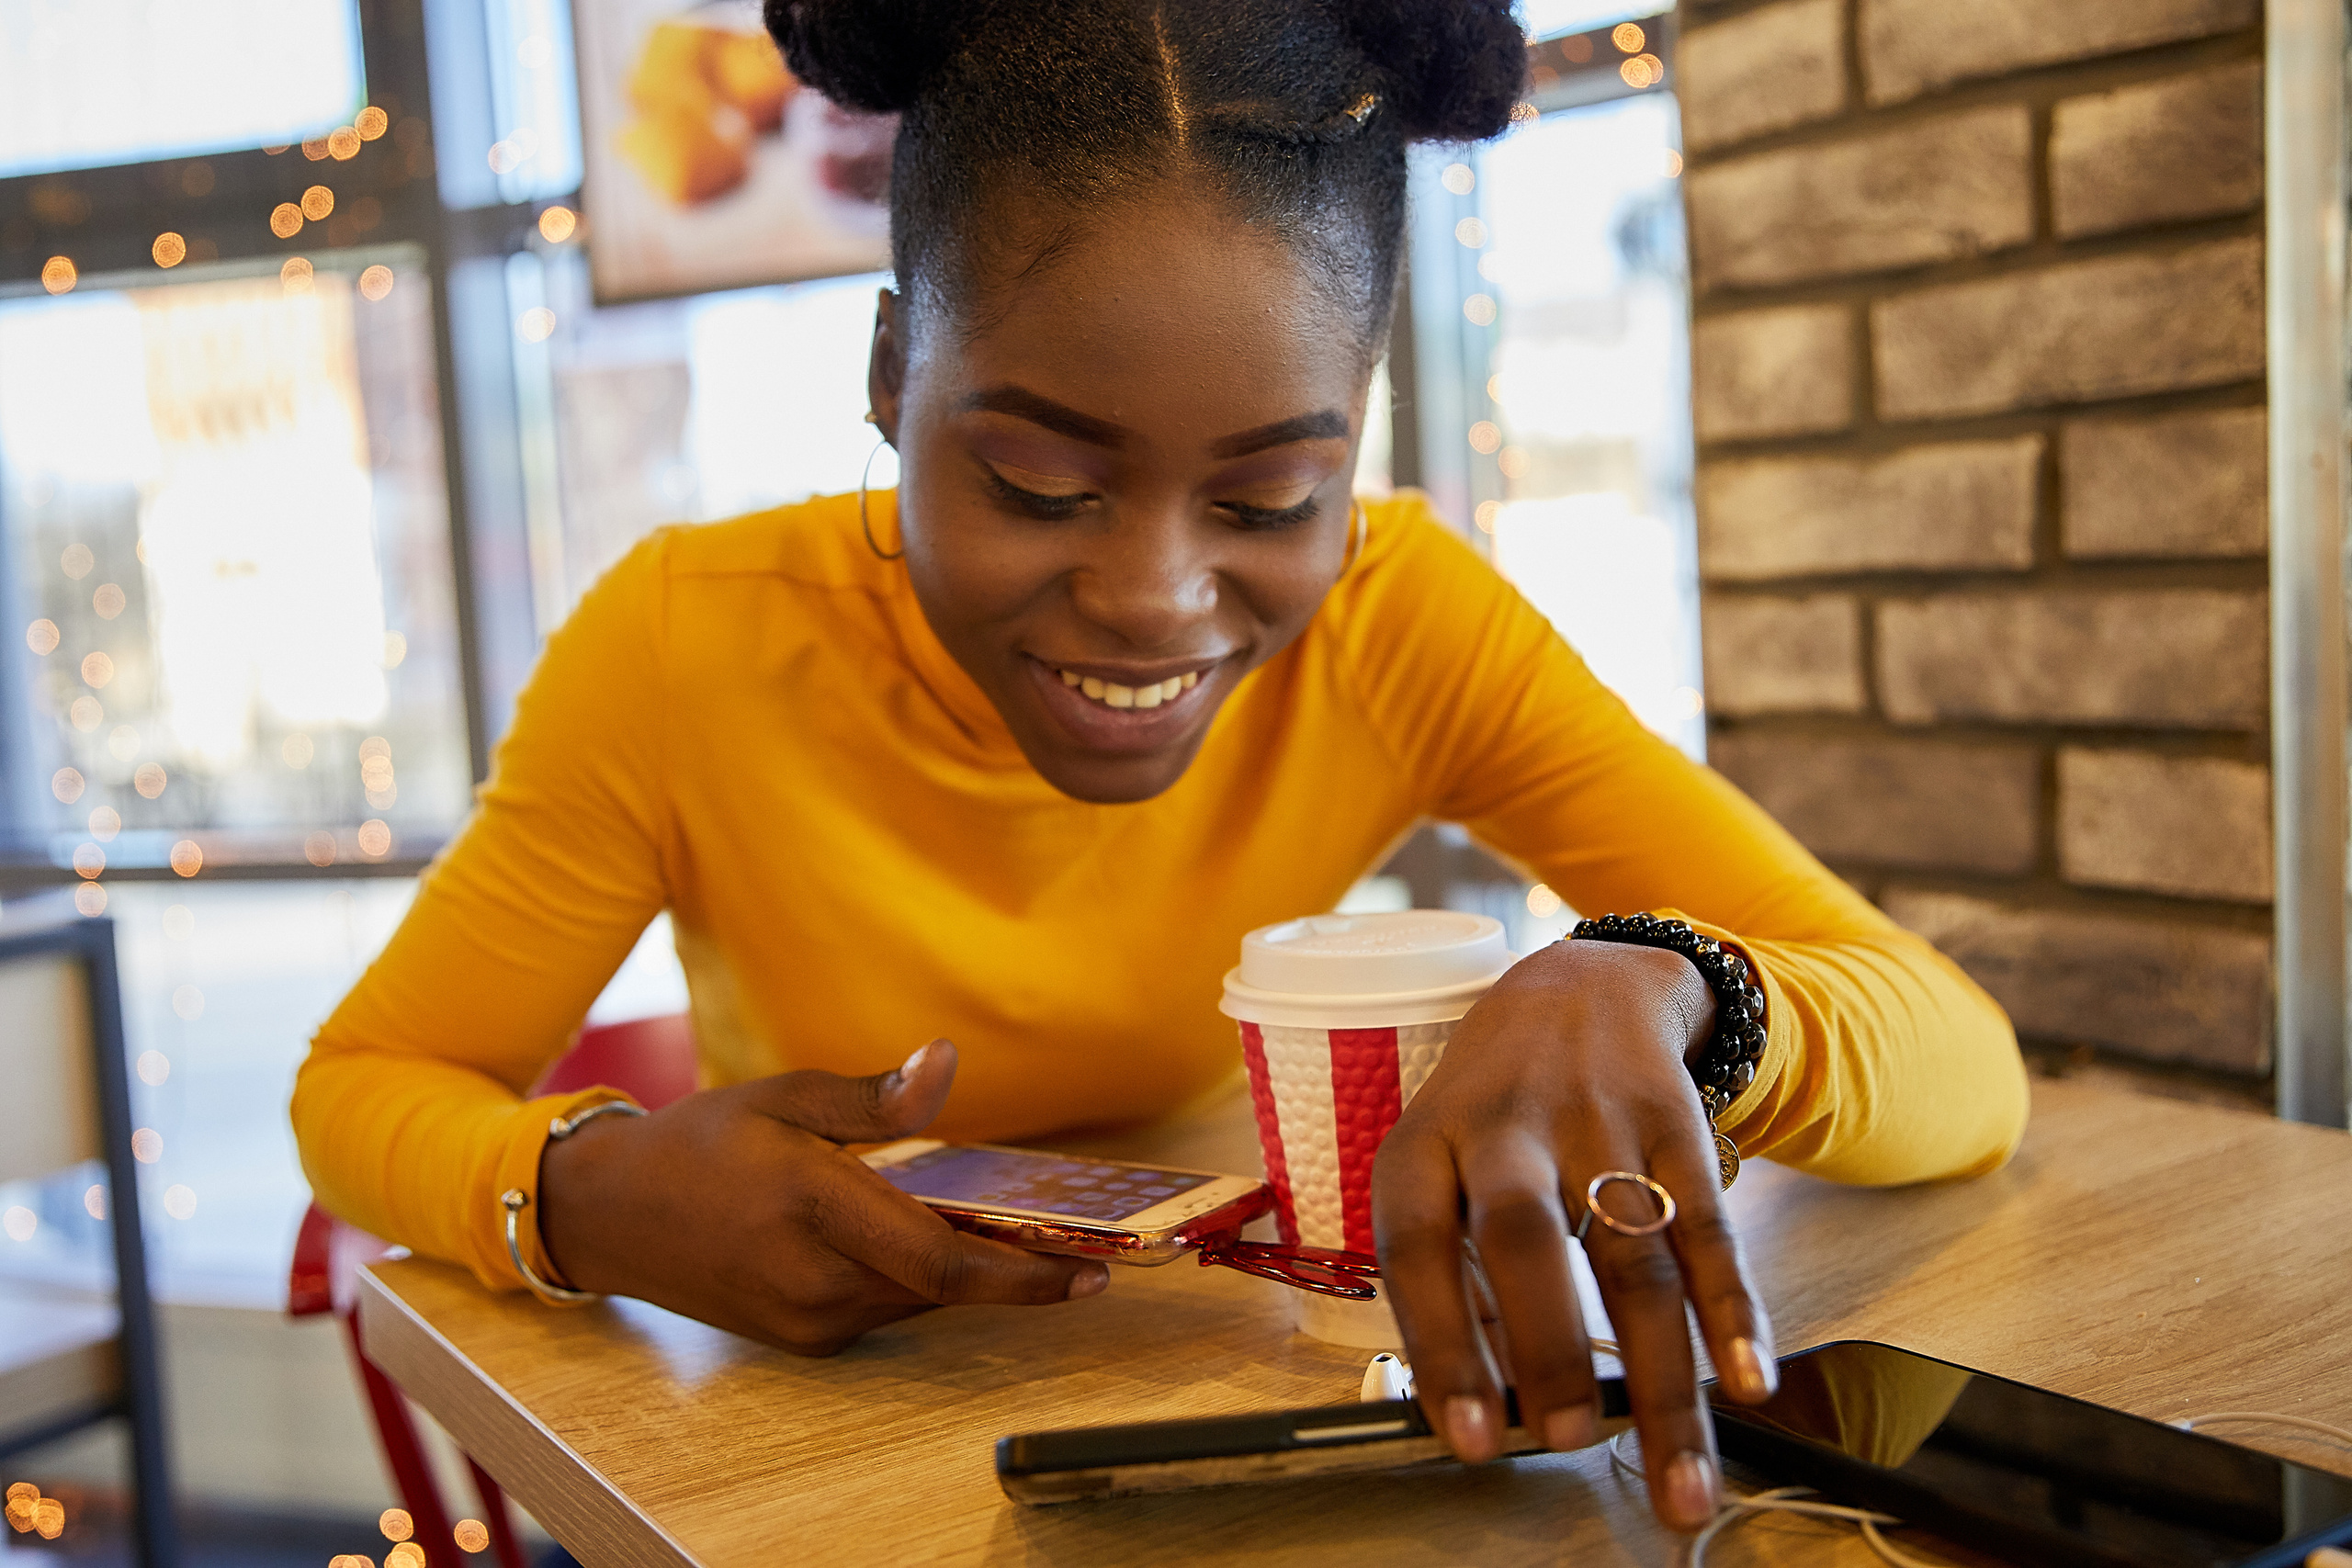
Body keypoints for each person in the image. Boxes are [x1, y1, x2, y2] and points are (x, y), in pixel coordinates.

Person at [291, 0, 2029, 1533]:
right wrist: (577, 1192)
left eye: (1272, 502)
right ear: (897, 371)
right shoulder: (689, 642)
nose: (1153, 600)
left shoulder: (1404, 618)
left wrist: (1680, 987)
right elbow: (366, 1086)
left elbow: (1959, 1062)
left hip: (1266, 1411)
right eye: (1042, 483)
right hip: (823, 1473)